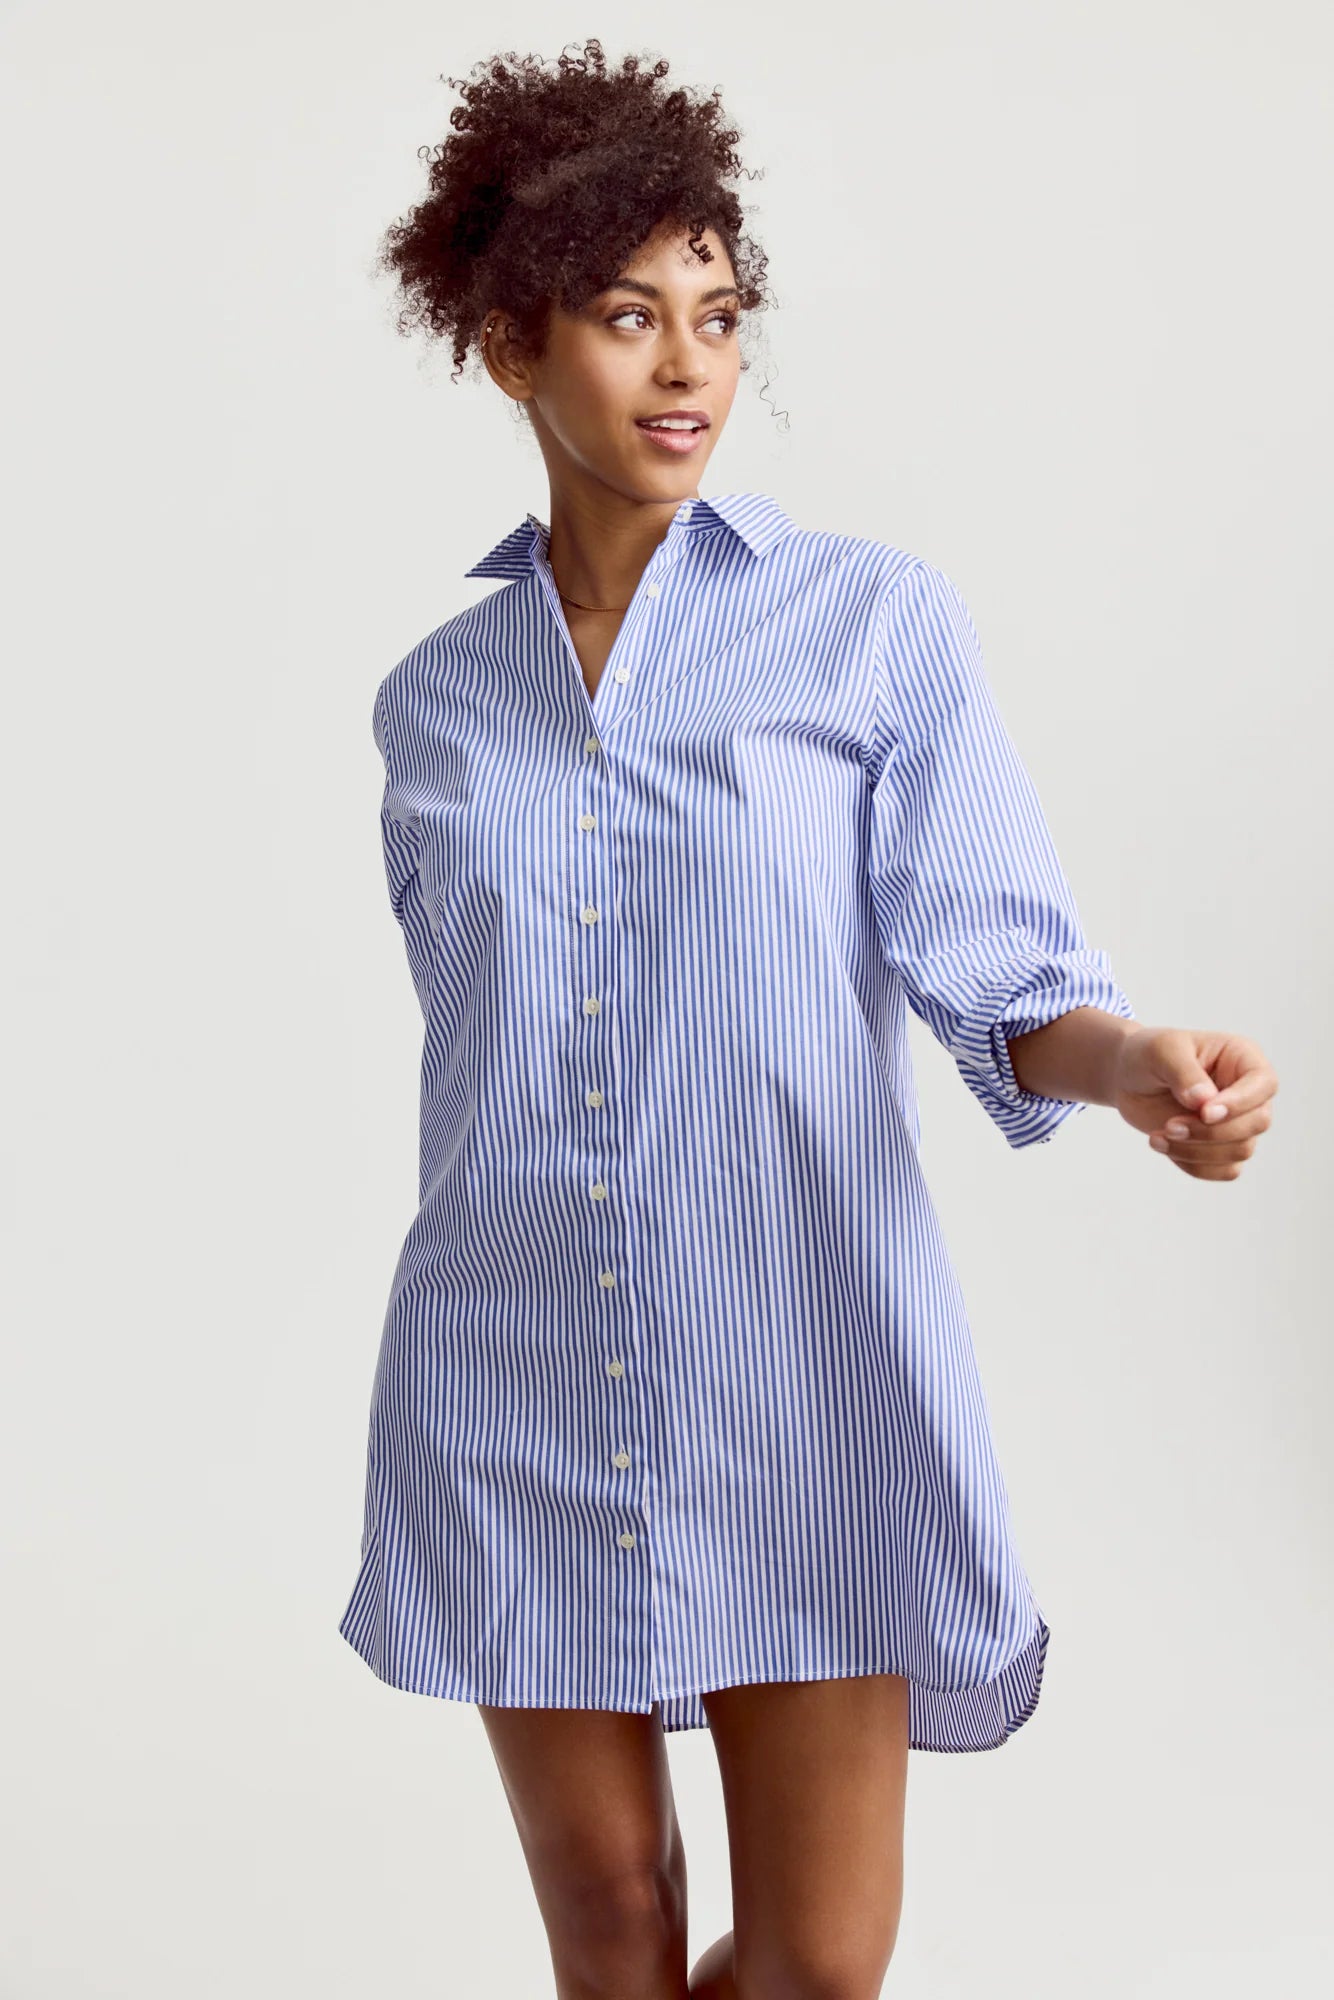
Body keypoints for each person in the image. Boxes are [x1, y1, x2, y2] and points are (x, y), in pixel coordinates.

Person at [337, 38, 1279, 2000]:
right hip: (506, 1373)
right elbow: (482, 1063)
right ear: (511, 347)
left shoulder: (868, 624)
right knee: (608, 1934)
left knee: (821, 1964)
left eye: (716, 314)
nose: (687, 366)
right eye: (625, 317)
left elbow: (1003, 970)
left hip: (799, 1366)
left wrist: (1136, 1071)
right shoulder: (431, 704)